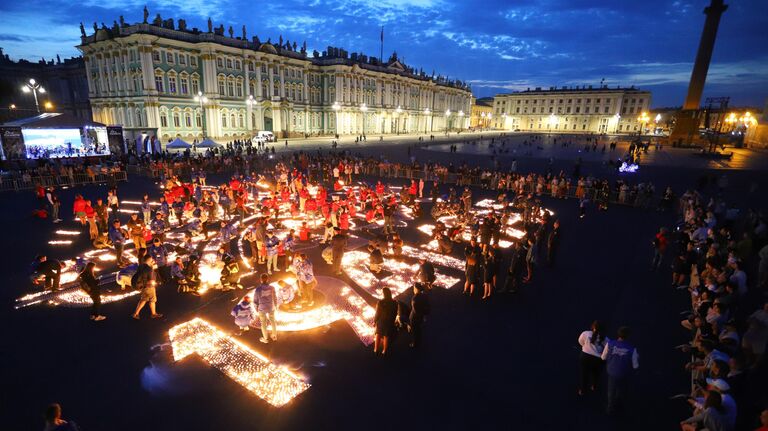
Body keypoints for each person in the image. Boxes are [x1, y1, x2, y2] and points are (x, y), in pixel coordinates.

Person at [601, 326, 639, 414]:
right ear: (628, 336)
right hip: (623, 373)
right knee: (622, 389)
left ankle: (610, 408)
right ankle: (620, 404)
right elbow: (635, 365)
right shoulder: (632, 349)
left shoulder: (610, 343)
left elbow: (603, 357)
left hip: (612, 372)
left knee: (611, 390)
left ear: (618, 334)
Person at [577, 320, 606, 395]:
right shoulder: (605, 338)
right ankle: (593, 386)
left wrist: (585, 346)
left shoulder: (585, 333)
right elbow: (607, 348)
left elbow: (580, 341)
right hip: (597, 360)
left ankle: (582, 390)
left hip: (585, 356)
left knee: (584, 374)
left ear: (593, 326)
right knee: (595, 374)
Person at [131, 254, 163, 320]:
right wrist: (154, 269)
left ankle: (136, 313)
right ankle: (154, 314)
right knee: (152, 300)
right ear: (149, 260)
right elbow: (152, 280)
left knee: (143, 299)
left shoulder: (141, 266)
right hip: (149, 287)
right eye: (152, 260)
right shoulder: (149, 269)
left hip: (142, 286)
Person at [253, 273, 278, 343]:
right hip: (271, 307)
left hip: (262, 308)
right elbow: (275, 298)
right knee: (273, 321)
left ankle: (265, 338)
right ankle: (274, 336)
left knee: (263, 323)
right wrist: (276, 306)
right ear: (268, 279)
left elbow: (255, 300)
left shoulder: (258, 289)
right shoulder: (272, 288)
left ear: (260, 280)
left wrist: (256, 308)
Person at [374, 287, 398, 356]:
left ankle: (376, 349)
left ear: (383, 294)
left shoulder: (380, 302)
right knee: (386, 336)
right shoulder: (395, 302)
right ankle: (384, 351)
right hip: (389, 321)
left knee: (378, 334)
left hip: (381, 321)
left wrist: (375, 321)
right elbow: (395, 313)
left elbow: (377, 313)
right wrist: (393, 321)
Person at [409, 283, 430, 348]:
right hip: (420, 317)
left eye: (414, 288)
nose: (413, 289)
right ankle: (418, 340)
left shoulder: (415, 299)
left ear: (416, 289)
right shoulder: (424, 296)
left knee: (415, 331)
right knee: (418, 329)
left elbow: (415, 311)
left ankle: (415, 343)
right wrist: (424, 315)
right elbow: (428, 306)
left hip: (415, 318)